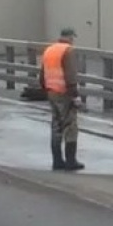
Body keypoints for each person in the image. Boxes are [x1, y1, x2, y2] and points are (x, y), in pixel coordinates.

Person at [39, 27, 85, 171]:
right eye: (73, 37)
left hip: (51, 92)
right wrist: (75, 95)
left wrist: (46, 89)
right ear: (70, 37)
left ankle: (57, 161)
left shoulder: (49, 50)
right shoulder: (68, 51)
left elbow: (42, 75)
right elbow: (70, 74)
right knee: (70, 126)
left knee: (56, 126)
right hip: (64, 93)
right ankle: (71, 161)